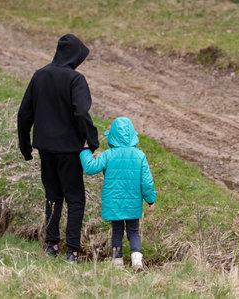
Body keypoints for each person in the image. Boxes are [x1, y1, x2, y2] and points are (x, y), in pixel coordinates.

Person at [18, 34, 99, 263]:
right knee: (75, 199)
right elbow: (81, 113)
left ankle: (51, 245)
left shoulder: (39, 76)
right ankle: (72, 251)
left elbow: (24, 114)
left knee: (53, 196)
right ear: (75, 56)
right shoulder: (76, 79)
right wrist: (92, 141)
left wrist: (25, 147)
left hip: (45, 148)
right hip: (70, 150)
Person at [79, 117, 156, 270]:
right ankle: (137, 262)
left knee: (117, 232)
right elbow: (146, 182)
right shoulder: (139, 156)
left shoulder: (108, 155)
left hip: (114, 203)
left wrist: (85, 150)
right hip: (133, 202)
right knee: (133, 231)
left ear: (112, 136)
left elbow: (90, 167)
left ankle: (117, 263)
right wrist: (150, 200)